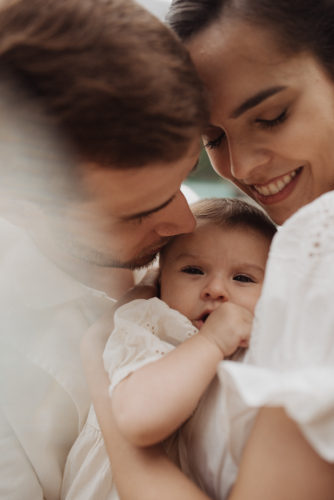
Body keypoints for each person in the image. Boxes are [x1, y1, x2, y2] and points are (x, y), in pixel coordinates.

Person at [84, 1, 334, 499]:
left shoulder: (315, 247)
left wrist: (100, 373)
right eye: (213, 138)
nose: (242, 166)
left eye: (271, 116)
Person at [0, 0, 209, 498]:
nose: (184, 221)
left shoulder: (208, 232)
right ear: (19, 203)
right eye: (138, 213)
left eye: (183, 180)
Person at [62, 198, 276, 500]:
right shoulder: (150, 323)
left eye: (242, 278)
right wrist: (211, 341)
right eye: (193, 270)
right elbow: (139, 418)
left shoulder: (259, 339)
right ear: (160, 279)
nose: (215, 289)